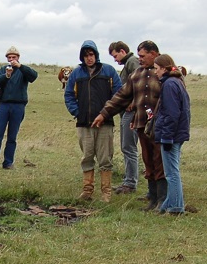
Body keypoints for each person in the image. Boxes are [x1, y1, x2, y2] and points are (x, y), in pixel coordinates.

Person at [92, 40, 165, 209]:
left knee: (160, 161)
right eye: (138, 56)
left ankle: (163, 199)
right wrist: (104, 114)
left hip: (160, 127)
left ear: (153, 54)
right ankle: (152, 198)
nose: (139, 59)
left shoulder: (164, 73)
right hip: (142, 125)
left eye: (142, 56)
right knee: (148, 161)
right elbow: (121, 96)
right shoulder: (137, 74)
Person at [63, 40, 123, 202]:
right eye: (85, 55)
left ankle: (106, 192)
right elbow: (68, 95)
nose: (89, 58)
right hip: (84, 124)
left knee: (105, 158)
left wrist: (107, 113)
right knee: (87, 157)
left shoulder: (109, 71)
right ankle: (87, 190)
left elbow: (118, 95)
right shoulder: (76, 74)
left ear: (96, 55)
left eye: (91, 55)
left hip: (105, 123)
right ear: (82, 57)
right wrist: (78, 113)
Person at [151, 53, 191, 214]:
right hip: (177, 134)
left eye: (156, 69)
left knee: (171, 173)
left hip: (171, 136)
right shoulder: (177, 82)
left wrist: (166, 137)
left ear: (164, 68)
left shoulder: (169, 85)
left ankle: (176, 208)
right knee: (172, 171)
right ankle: (169, 204)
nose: (155, 72)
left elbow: (172, 113)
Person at [0, 46, 39, 169]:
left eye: (14, 57)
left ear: (18, 58)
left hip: (18, 106)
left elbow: (33, 76)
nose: (11, 59)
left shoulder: (23, 71)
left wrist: (20, 67)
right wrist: (6, 75)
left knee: (12, 136)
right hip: (4, 105)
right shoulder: (3, 70)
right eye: (9, 57)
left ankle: (8, 163)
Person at [106, 41, 140, 193]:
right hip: (127, 111)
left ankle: (130, 183)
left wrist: (133, 102)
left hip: (131, 112)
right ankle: (128, 180)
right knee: (127, 147)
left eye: (115, 56)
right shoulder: (128, 64)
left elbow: (141, 81)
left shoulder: (132, 62)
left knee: (128, 147)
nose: (115, 60)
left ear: (122, 51)